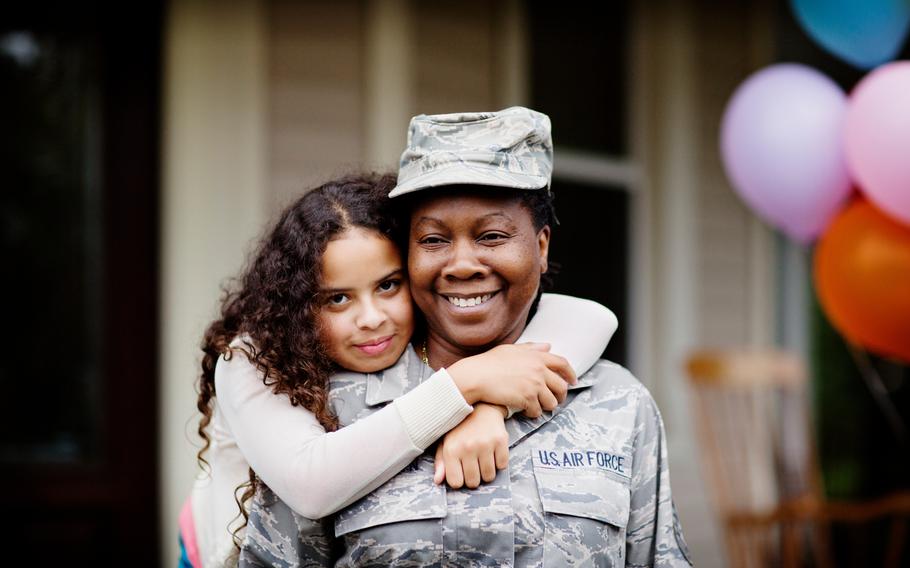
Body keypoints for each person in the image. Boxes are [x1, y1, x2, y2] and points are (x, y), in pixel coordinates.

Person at [239, 107, 692, 567]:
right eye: (434, 240)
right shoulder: (330, 408)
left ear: (540, 247)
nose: (461, 264)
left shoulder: (619, 404)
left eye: (492, 236)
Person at [184, 174, 618, 567]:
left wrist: (490, 408)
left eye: (388, 284)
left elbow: (591, 319)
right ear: (297, 306)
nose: (371, 317)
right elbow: (310, 485)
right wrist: (467, 384)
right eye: (337, 298)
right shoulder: (253, 355)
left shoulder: (413, 328)